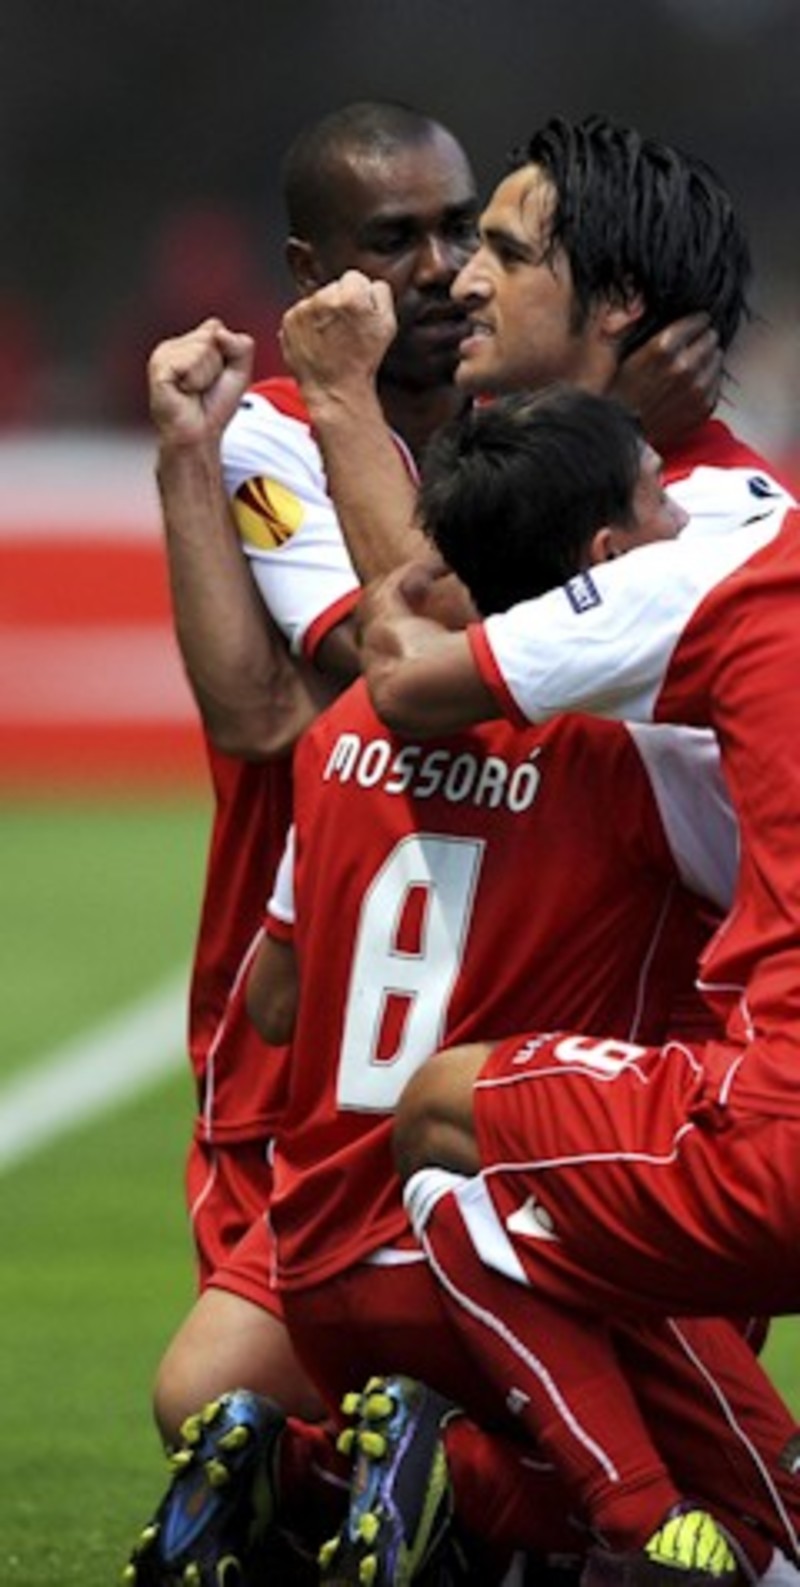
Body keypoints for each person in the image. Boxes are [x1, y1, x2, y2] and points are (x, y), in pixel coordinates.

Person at [237, 390, 800, 1587]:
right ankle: (603, 1511)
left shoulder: (341, 734)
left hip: (322, 1271)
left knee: (203, 1370)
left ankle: (319, 1471)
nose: (681, 515)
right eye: (658, 496)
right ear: (602, 550)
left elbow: (270, 1001)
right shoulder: (639, 756)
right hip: (580, 1241)